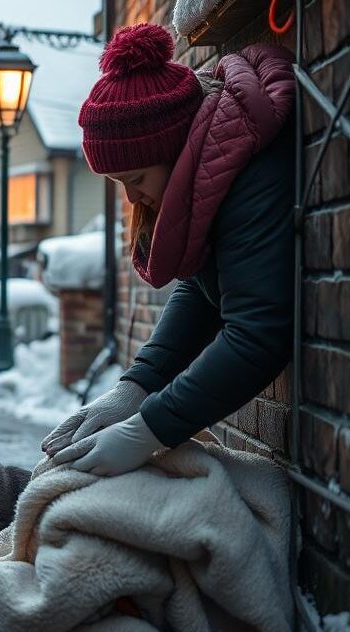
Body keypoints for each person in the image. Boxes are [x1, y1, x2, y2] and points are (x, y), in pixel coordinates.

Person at [42, 23, 296, 476]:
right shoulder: (213, 169)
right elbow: (202, 285)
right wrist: (136, 387)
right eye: (121, 185)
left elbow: (258, 334)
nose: (134, 199)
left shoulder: (251, 173)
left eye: (137, 179)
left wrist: (148, 430)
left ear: (177, 150)